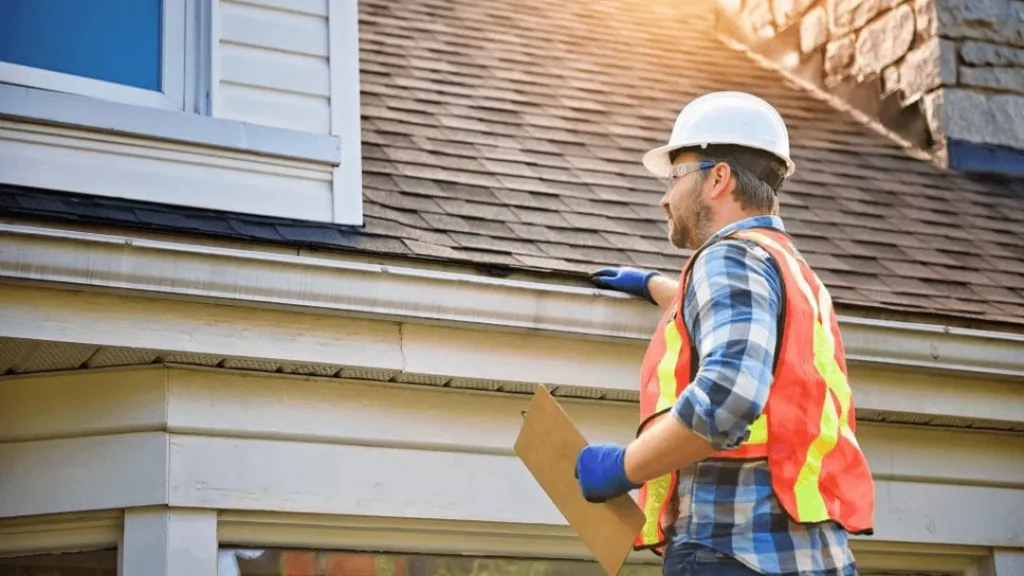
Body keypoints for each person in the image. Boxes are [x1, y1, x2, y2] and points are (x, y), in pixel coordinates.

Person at [573, 92, 876, 576]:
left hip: (731, 548)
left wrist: (623, 466)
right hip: (809, 553)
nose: (665, 197)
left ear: (718, 178)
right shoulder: (791, 269)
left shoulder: (728, 257)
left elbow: (729, 395)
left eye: (675, 177)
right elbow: (755, 331)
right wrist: (664, 288)